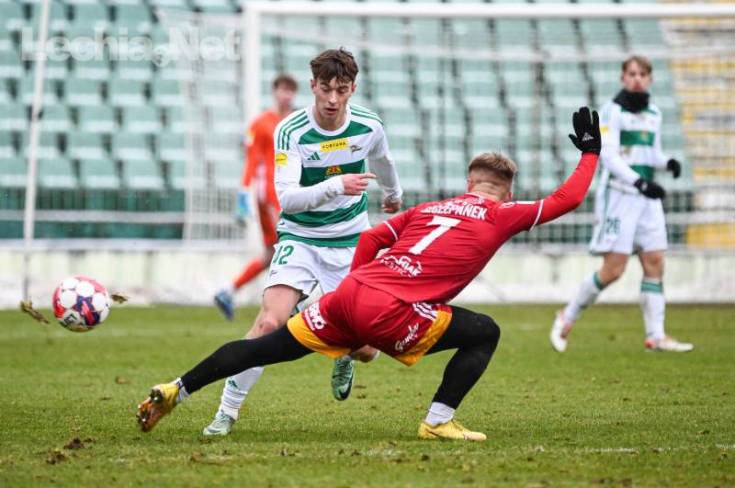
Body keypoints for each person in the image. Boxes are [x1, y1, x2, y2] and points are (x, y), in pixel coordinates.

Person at [137, 108, 601, 441]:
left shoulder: (430, 208)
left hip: (349, 295)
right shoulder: (502, 214)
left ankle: (177, 388)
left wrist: (355, 286)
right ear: (507, 192)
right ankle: (438, 421)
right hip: (391, 311)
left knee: (264, 344)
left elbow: (372, 238)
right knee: (484, 332)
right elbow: (569, 199)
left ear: (468, 183)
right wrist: (590, 154)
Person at [201, 48, 403, 437]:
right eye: (325, 89)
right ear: (313, 86)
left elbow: (383, 161)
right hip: (301, 237)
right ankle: (226, 412)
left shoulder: (369, 126)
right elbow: (289, 199)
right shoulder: (290, 130)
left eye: (341, 90)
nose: (332, 99)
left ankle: (340, 348)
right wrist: (337, 185)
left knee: (367, 350)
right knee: (268, 323)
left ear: (352, 89)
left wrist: (394, 194)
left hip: (351, 242)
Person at [550, 55, 693, 353]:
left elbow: (651, 153)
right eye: (632, 73)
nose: (637, 78)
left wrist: (667, 162)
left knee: (655, 261)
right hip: (619, 195)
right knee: (614, 269)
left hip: (646, 197)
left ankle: (656, 336)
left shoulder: (654, 112)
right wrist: (639, 182)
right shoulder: (612, 111)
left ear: (650, 79)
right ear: (623, 78)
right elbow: (609, 156)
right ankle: (566, 316)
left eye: (642, 74)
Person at [214, 74, 298, 321]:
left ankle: (228, 290)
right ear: (274, 92)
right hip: (270, 196)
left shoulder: (297, 122)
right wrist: (243, 193)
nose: (286, 95)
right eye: (282, 90)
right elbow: (252, 161)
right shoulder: (261, 124)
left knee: (272, 253)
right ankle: (289, 305)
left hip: (291, 193)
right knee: (290, 246)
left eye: (290, 90)